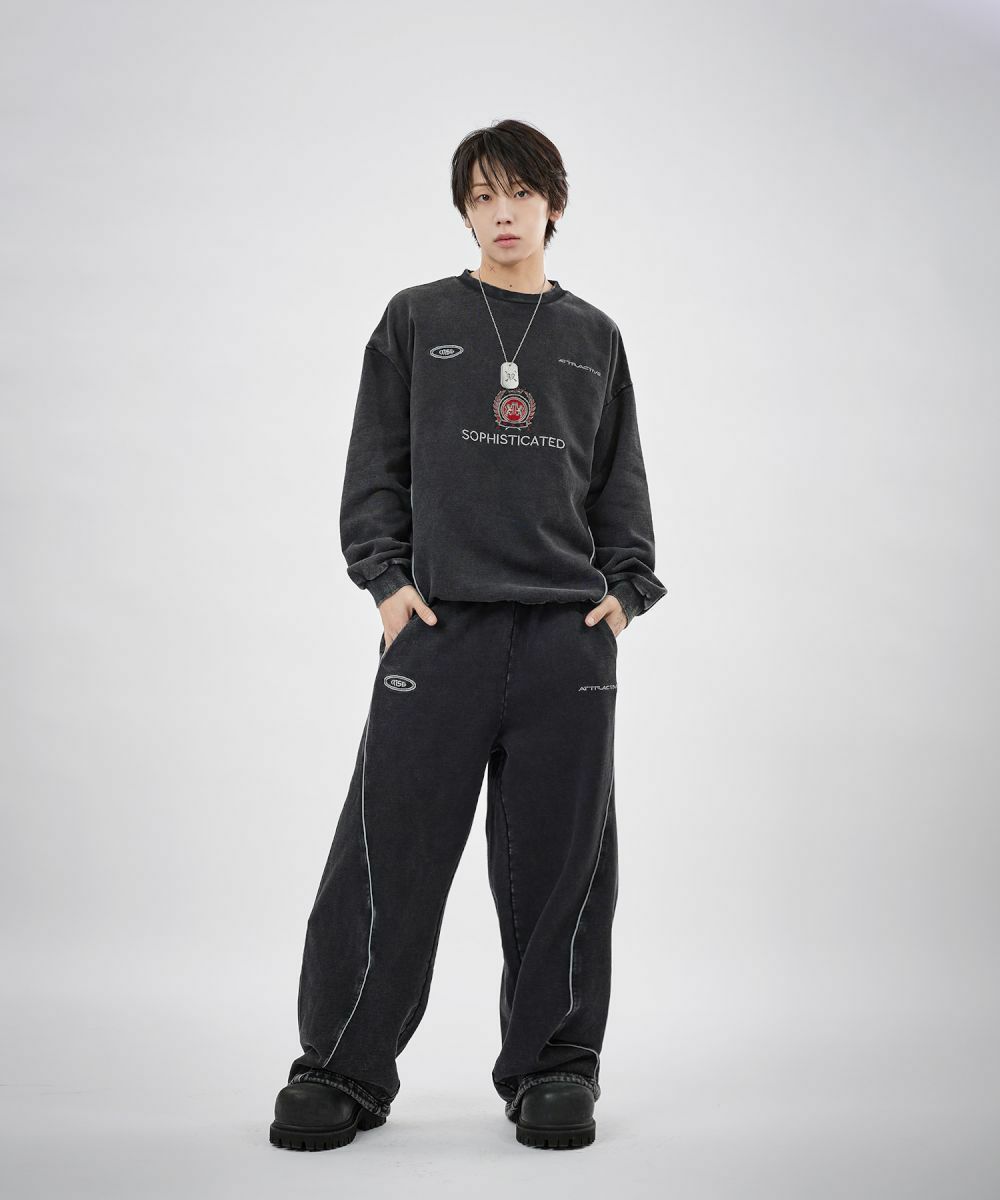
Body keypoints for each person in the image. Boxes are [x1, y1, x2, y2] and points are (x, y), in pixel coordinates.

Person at [269, 117, 667, 1152]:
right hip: (439, 632)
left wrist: (622, 595)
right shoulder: (416, 319)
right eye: (482, 196)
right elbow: (375, 466)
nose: (503, 213)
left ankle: (553, 1068)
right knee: (384, 854)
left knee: (561, 867)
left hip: (565, 641)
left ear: (553, 204)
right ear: (464, 210)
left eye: (520, 193)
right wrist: (387, 584)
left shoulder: (595, 337)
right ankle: (342, 1067)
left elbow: (619, 483)